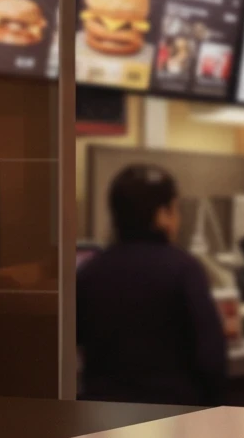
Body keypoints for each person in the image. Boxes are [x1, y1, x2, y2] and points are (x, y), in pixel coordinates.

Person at [77, 164, 227, 405]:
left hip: (100, 417)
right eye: (175, 209)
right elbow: (211, 358)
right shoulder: (184, 270)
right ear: (162, 215)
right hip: (169, 416)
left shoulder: (89, 273)